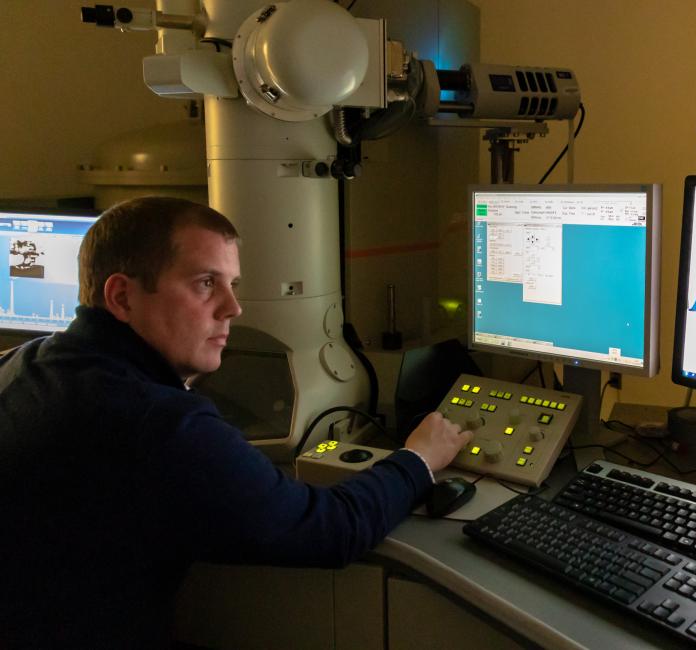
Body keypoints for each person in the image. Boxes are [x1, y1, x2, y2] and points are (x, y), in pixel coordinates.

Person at [0, 197, 473, 648]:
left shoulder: (24, 362)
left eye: (233, 284)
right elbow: (332, 529)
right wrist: (418, 459)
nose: (233, 307)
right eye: (205, 283)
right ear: (123, 296)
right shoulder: (160, 424)